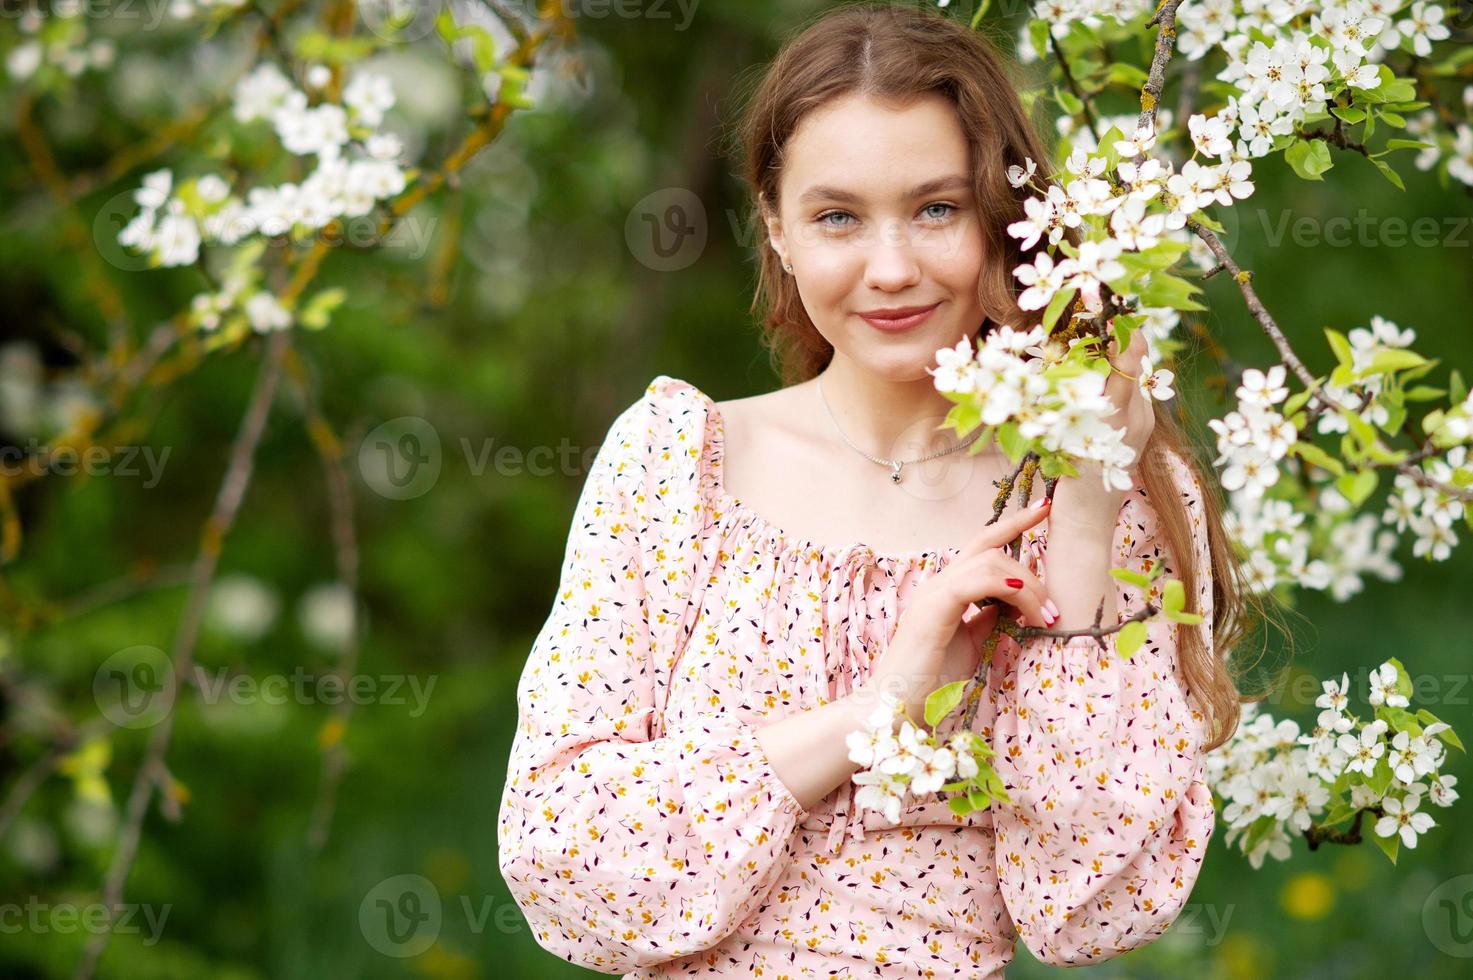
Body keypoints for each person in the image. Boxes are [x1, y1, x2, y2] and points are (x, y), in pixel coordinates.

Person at [498, 4, 1252, 976]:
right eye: (838, 216)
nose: (891, 269)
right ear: (776, 227)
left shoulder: (1113, 493)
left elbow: (1091, 909)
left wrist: (1088, 510)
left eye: (937, 208)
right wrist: (878, 709)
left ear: (1004, 216)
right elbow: (562, 858)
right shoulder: (677, 464)